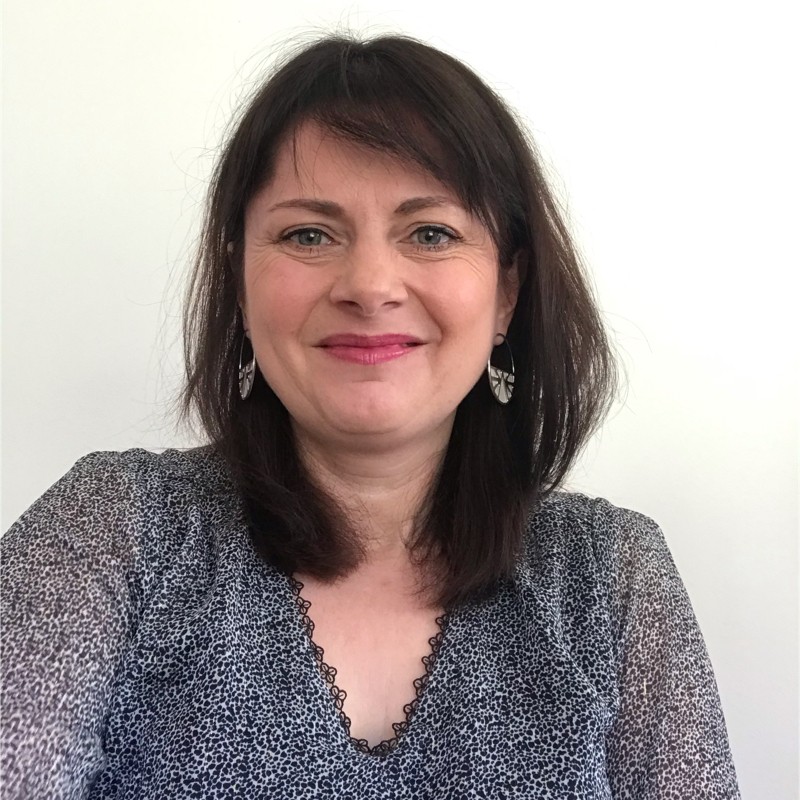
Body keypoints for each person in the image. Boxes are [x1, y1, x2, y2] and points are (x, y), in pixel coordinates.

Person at [0, 33, 740, 799]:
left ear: (507, 292)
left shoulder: (612, 578)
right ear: (239, 280)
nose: (370, 284)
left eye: (431, 233)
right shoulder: (113, 530)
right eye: (308, 234)